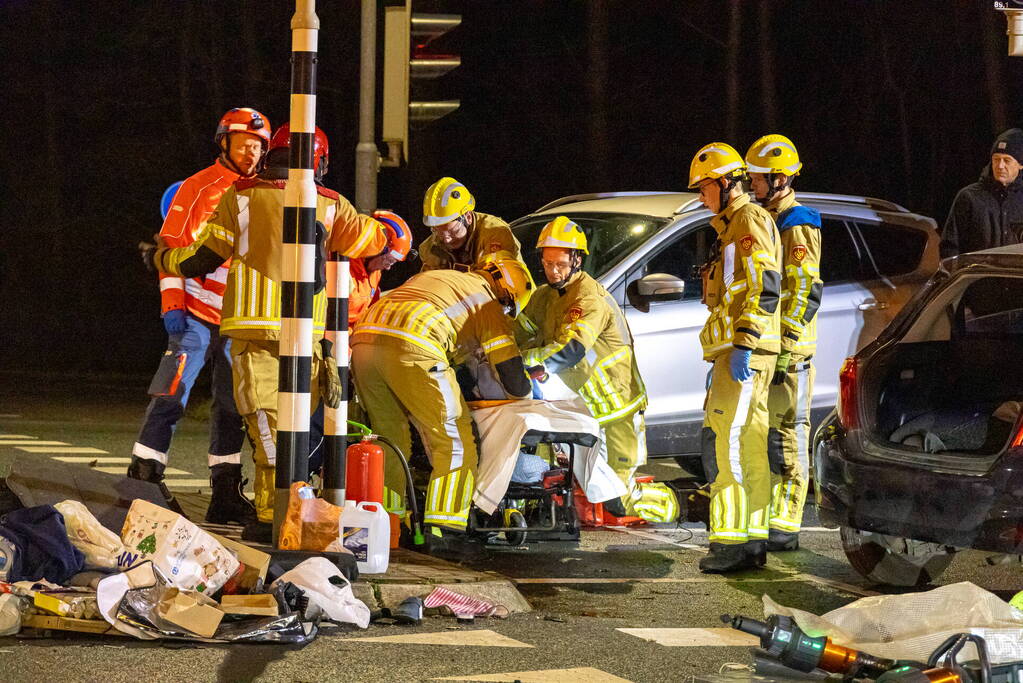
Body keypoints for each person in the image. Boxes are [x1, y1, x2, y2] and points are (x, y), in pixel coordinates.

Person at [148, 125, 390, 542]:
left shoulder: (240, 196)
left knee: (268, 431)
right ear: (321, 163)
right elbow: (375, 240)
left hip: (250, 330)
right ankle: (283, 517)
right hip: (305, 334)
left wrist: (160, 258)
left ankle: (274, 517)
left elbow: (201, 258)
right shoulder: (332, 205)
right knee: (298, 430)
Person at [131, 107, 270, 524]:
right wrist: (172, 306)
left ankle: (225, 492)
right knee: (172, 391)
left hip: (236, 318)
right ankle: (144, 478)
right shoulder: (198, 187)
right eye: (244, 144)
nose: (252, 152)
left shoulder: (261, 189)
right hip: (194, 313)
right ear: (223, 142)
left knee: (232, 405)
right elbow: (168, 248)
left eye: (258, 146)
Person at [515, 216, 684, 523]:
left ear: (578, 260)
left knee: (619, 500)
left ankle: (680, 505)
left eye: (561, 264)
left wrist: (527, 361)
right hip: (581, 409)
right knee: (573, 480)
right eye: (548, 262)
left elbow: (571, 349)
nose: (554, 270)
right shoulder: (544, 297)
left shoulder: (588, 298)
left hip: (616, 409)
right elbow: (521, 330)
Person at [350, 253, 533, 535]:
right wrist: (527, 392)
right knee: (454, 439)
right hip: (414, 345)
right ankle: (445, 525)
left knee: (389, 436)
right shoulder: (489, 303)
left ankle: (389, 522)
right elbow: (512, 376)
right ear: (508, 295)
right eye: (510, 309)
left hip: (363, 343)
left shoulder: (441, 278)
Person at [688, 142, 782, 573]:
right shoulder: (732, 225)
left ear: (726, 183)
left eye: (705, 187)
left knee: (729, 445)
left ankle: (731, 542)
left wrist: (744, 342)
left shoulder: (748, 220)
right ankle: (753, 540)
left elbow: (765, 286)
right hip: (736, 353)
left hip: (744, 352)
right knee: (749, 445)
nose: (701, 195)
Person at [745, 134, 823, 552]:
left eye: (758, 178)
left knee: (788, 435)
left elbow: (804, 289)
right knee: (766, 434)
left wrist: (789, 342)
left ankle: (787, 522)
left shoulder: (799, 222)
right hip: (770, 346)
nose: (752, 184)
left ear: (779, 178)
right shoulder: (766, 218)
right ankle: (770, 517)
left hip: (791, 349)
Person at [941, 128, 1023, 258]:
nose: (1000, 166)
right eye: (996, 159)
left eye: (1007, 160)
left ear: (1020, 164)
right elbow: (950, 247)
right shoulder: (969, 197)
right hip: (981, 277)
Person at [419, 177, 523, 272]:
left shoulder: (495, 234)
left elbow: (503, 282)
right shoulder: (430, 249)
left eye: (453, 231)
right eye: (438, 232)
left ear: (467, 217)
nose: (447, 239)